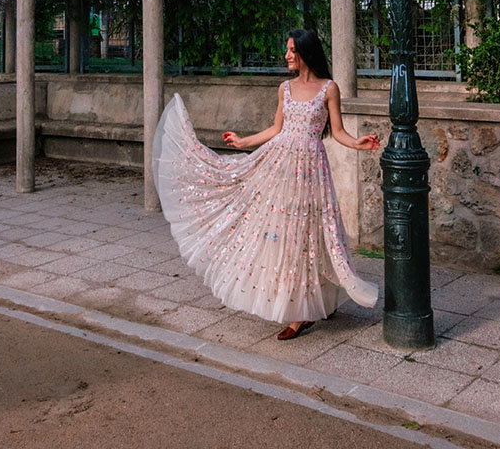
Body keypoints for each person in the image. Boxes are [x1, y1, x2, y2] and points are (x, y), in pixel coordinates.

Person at [153, 28, 381, 341]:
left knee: (313, 232)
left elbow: (337, 132)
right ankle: (300, 310)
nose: (286, 55)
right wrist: (243, 140)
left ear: (305, 52)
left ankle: (319, 302)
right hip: (280, 166)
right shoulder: (284, 88)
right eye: (287, 50)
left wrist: (359, 144)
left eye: (291, 50)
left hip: (312, 170)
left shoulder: (329, 88)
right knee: (286, 234)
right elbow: (277, 128)